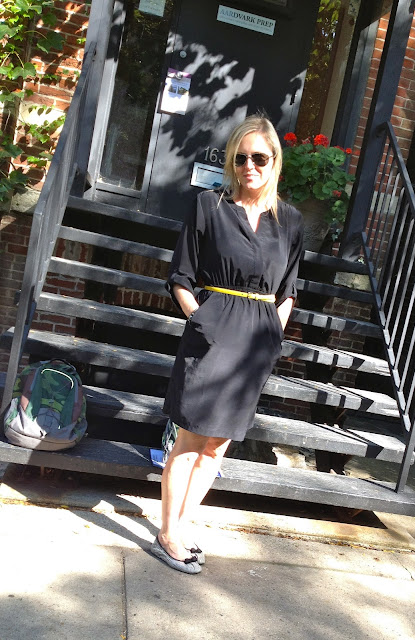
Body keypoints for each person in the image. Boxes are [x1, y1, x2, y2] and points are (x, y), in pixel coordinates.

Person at [151, 115, 304, 574]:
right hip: (213, 333)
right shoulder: (209, 206)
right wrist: (200, 320)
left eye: (259, 158)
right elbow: (181, 276)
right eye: (240, 158)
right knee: (190, 439)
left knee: (217, 445)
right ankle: (168, 533)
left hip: (256, 344)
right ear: (231, 163)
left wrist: (273, 334)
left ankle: (183, 526)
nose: (249, 166)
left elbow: (289, 289)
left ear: (274, 161)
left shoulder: (290, 221)